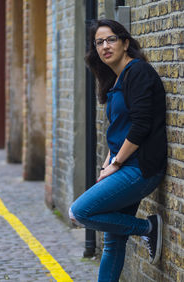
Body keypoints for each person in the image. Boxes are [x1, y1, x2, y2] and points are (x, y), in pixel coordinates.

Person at [69, 19, 167, 282]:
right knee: (113, 242)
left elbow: (141, 126)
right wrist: (108, 163)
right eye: (99, 42)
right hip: (124, 164)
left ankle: (147, 227)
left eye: (111, 39)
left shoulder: (138, 72)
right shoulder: (116, 79)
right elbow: (119, 130)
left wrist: (116, 163)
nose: (105, 46)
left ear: (125, 43)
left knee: (80, 212)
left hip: (140, 167)